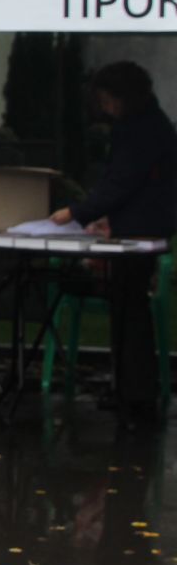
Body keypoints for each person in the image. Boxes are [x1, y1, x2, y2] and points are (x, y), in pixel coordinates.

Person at [48, 59, 177, 427]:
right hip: (140, 226)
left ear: (123, 98)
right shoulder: (148, 126)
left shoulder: (141, 131)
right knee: (128, 311)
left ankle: (135, 394)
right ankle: (131, 390)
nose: (104, 108)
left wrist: (78, 211)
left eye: (107, 100)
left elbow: (121, 181)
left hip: (139, 232)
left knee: (130, 313)